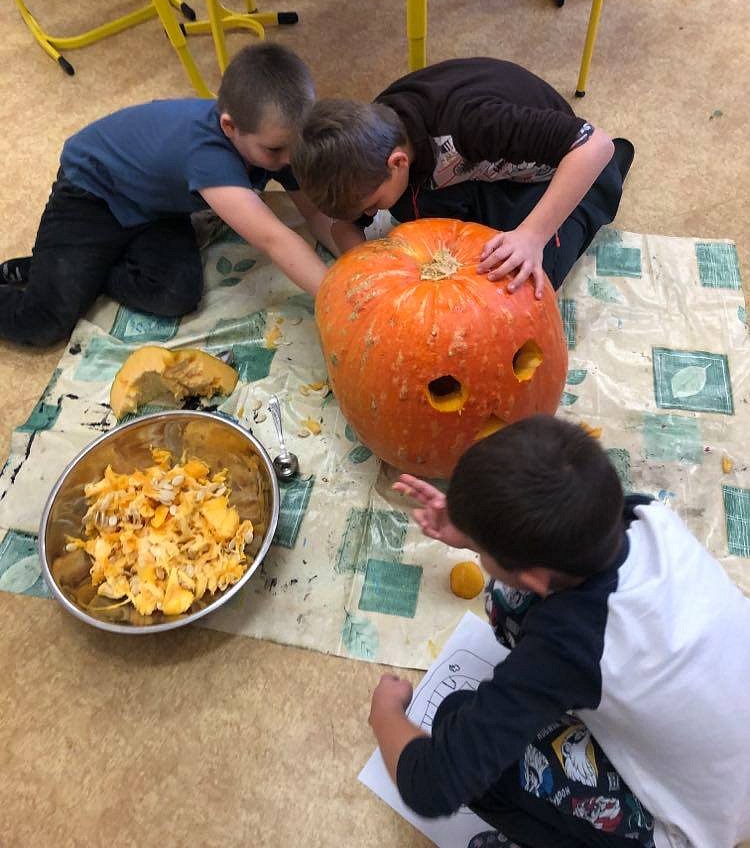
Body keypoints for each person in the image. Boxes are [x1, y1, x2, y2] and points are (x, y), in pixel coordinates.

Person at [368, 416, 750, 848]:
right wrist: (479, 531)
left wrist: (386, 715)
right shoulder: (645, 514)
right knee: (508, 602)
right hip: (725, 741)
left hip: (698, 825)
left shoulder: (569, 644)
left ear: (533, 574)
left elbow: (433, 785)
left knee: (454, 717)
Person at [0, 43, 334, 348]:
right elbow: (273, 239)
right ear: (229, 127)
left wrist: (356, 261)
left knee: (176, 293)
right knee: (43, 322)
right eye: (275, 149)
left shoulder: (275, 139)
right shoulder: (208, 157)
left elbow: (316, 213)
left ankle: (79, 271)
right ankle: (64, 272)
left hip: (156, 205)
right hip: (92, 194)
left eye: (298, 143)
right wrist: (338, 300)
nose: (290, 158)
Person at [291, 57, 635, 296]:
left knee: (527, 280)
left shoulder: (474, 122)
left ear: (397, 162)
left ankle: (607, 179)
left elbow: (595, 144)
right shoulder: (373, 137)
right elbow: (343, 226)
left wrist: (531, 235)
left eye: (371, 205)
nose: (369, 214)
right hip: (478, 171)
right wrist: (369, 275)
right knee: (408, 210)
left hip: (556, 171)